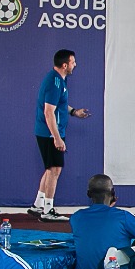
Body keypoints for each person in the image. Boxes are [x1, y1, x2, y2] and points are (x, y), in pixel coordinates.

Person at [29, 48, 92, 221]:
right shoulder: (55, 82)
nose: (75, 65)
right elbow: (49, 112)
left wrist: (74, 112)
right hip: (50, 134)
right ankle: (48, 211)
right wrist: (56, 137)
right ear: (65, 65)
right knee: (55, 169)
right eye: (73, 62)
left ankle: (38, 205)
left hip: (51, 132)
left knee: (51, 169)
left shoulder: (58, 81)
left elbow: (59, 104)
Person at [69, 175, 135, 269]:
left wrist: (107, 208)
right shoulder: (123, 217)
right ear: (113, 193)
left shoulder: (76, 218)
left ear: (88, 194)